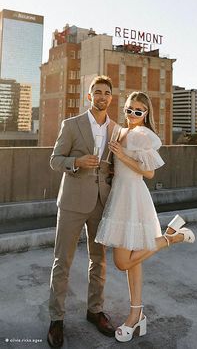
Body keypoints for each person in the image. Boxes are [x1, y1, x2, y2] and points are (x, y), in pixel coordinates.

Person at [95, 91, 195, 343]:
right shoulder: (122, 131)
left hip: (133, 198)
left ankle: (173, 238)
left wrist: (122, 156)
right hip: (119, 197)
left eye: (138, 112)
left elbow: (148, 173)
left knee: (121, 263)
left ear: (146, 114)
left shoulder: (143, 135)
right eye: (129, 109)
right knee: (132, 262)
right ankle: (136, 316)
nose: (132, 115)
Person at [47, 75, 116, 348]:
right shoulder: (72, 125)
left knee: (98, 261)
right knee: (62, 261)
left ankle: (95, 311)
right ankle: (56, 319)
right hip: (73, 202)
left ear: (111, 97)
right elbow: (54, 160)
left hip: (102, 202)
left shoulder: (116, 129)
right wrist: (76, 161)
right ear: (89, 96)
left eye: (106, 92)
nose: (102, 96)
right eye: (97, 92)